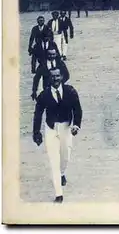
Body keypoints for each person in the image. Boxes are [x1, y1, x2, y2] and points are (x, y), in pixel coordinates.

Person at [32, 67, 82, 203]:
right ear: (49, 78)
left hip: (66, 128)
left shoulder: (70, 91)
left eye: (57, 76)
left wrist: (76, 125)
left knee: (65, 157)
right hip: (51, 129)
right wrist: (36, 133)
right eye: (52, 77)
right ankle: (59, 194)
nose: (55, 79)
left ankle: (62, 173)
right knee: (54, 161)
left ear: (62, 77)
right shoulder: (44, 95)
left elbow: (77, 109)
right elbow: (37, 115)